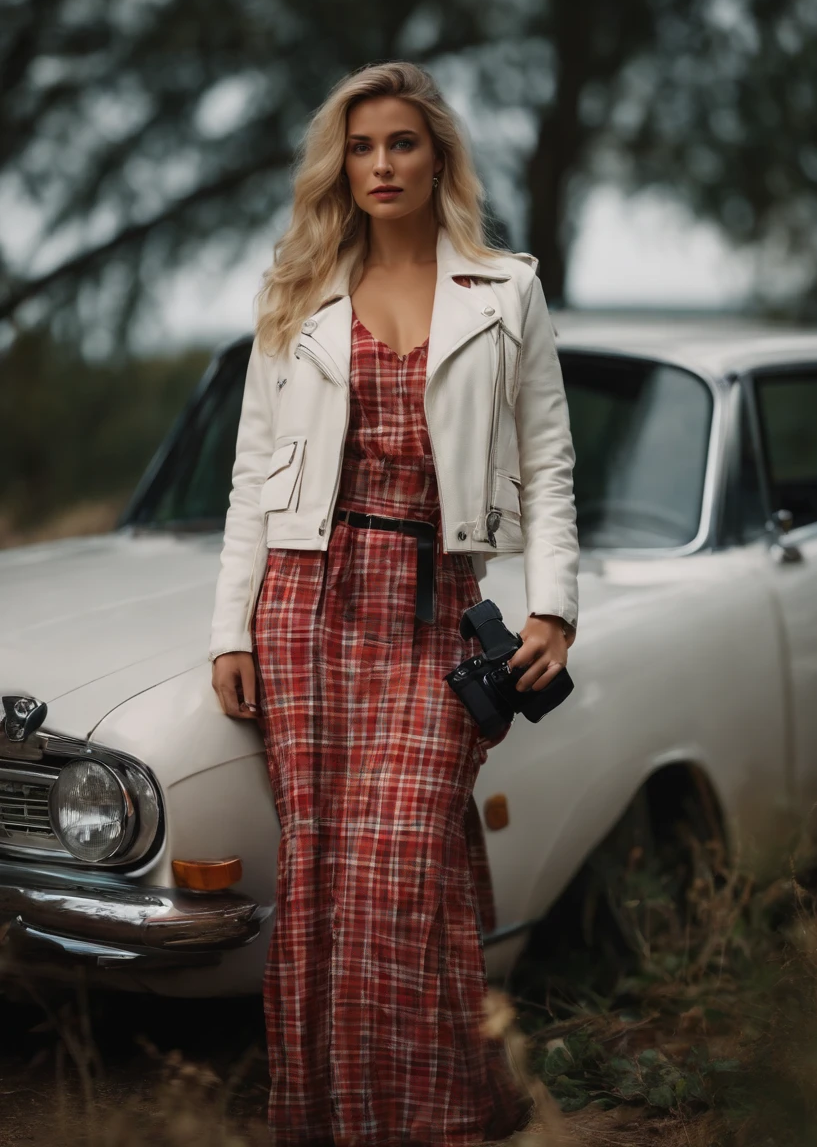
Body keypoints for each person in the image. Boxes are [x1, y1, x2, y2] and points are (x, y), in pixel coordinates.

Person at [209, 60, 579, 1147]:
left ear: (438, 156)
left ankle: (425, 1121)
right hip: (306, 606)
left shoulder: (505, 288)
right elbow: (251, 471)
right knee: (324, 874)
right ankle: (329, 1118)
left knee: (400, 868)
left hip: (436, 609)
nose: (381, 164)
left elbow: (548, 461)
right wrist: (229, 625)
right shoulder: (296, 284)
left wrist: (552, 605)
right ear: (342, 161)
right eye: (362, 146)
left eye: (402, 143)